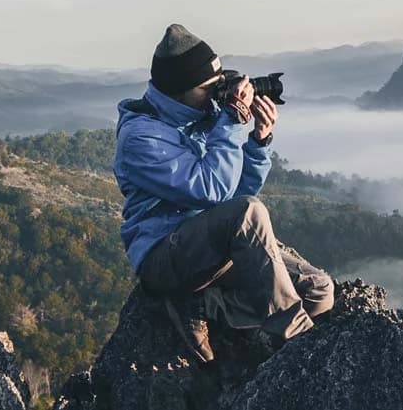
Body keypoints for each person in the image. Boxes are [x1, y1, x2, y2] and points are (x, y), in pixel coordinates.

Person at [113, 24, 333, 363]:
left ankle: (208, 306)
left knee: (318, 292)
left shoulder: (203, 117)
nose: (218, 94)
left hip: (212, 250)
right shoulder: (141, 138)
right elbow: (213, 193)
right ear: (179, 90)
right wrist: (230, 121)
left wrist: (258, 143)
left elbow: (234, 195)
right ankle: (294, 343)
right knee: (250, 212)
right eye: (209, 88)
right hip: (165, 256)